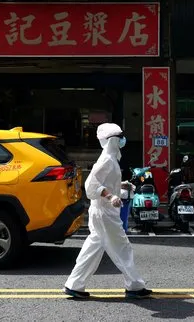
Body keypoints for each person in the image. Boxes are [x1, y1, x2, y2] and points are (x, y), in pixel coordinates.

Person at [63, 123, 152, 300]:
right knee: (122, 247)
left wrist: (120, 186)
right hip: (105, 213)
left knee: (93, 248)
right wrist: (111, 196)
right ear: (112, 141)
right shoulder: (107, 160)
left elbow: (105, 182)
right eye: (119, 137)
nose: (122, 140)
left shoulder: (110, 159)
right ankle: (134, 286)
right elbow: (91, 185)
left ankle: (74, 285)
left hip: (103, 212)